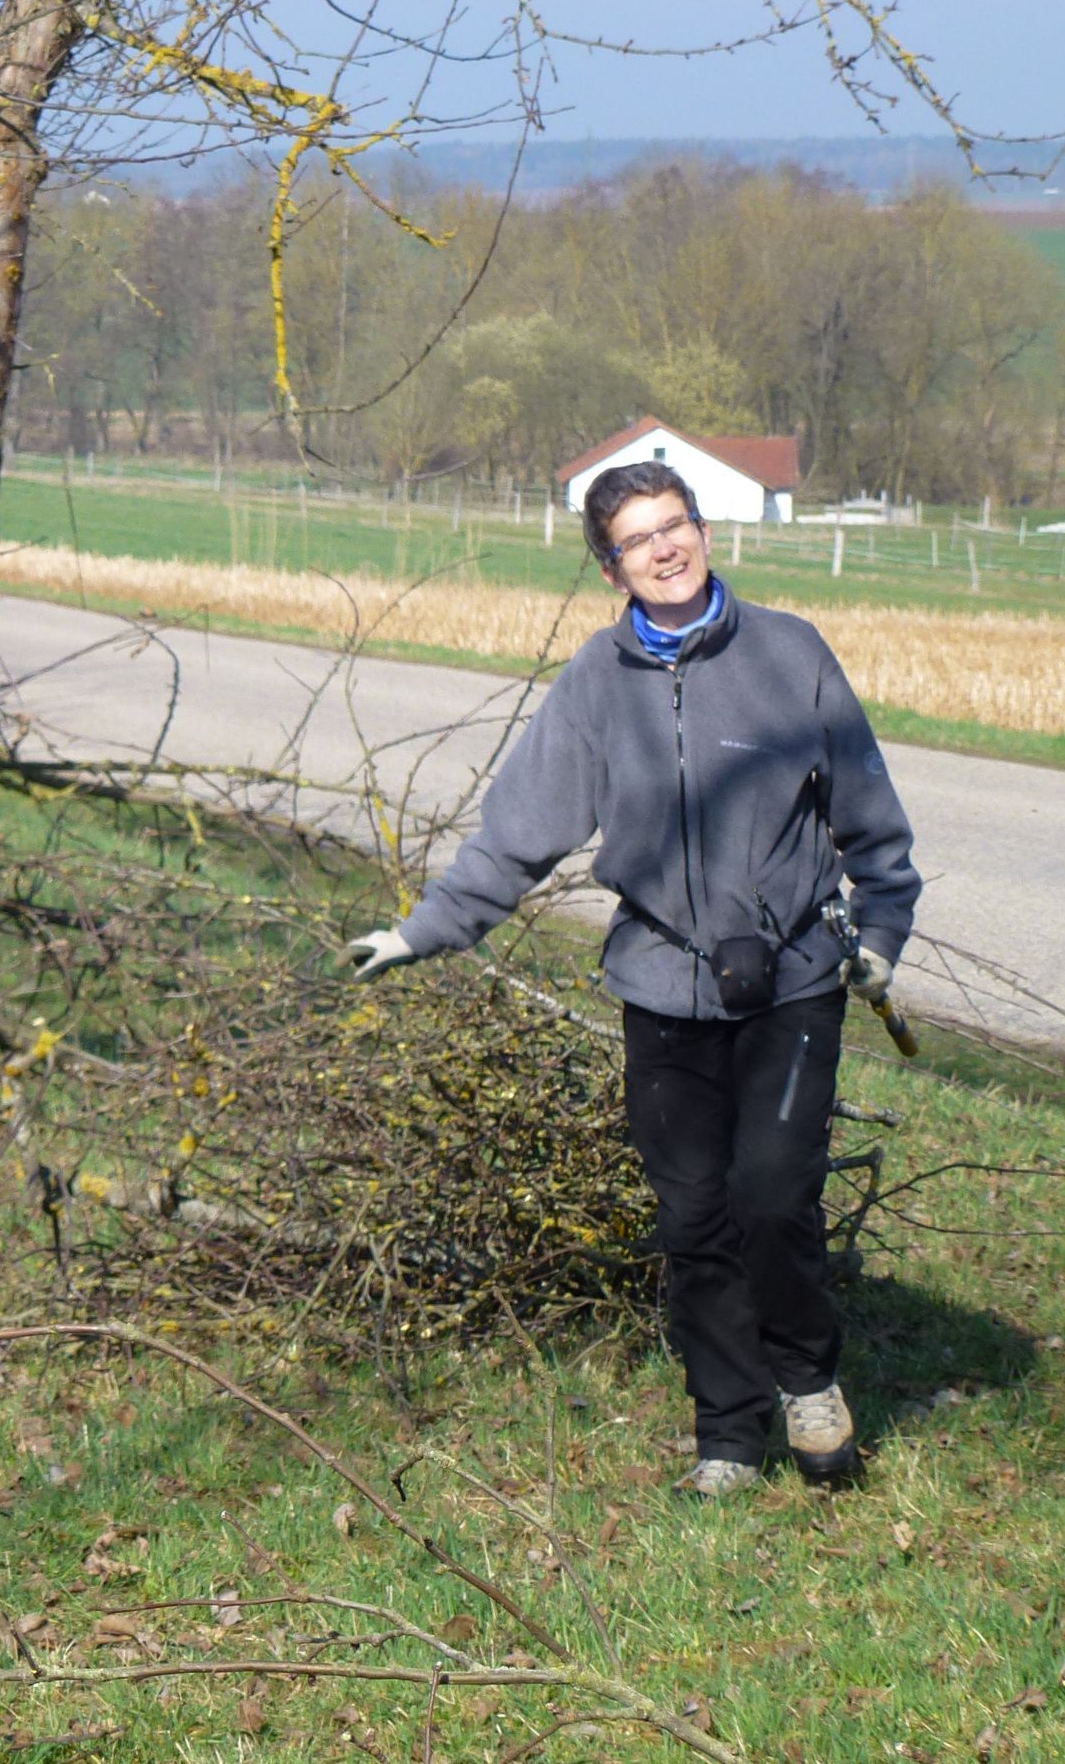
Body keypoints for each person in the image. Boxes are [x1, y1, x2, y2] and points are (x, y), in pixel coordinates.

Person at [347, 460, 919, 1496]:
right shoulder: (594, 687)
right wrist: (426, 930)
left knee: (774, 1192)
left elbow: (871, 819)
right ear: (609, 566)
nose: (667, 548)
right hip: (661, 985)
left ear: (702, 528)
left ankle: (809, 1383)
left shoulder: (791, 656)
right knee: (694, 1214)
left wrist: (881, 931)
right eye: (639, 539)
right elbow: (518, 834)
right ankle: (730, 1436)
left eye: (678, 524)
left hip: (792, 975)